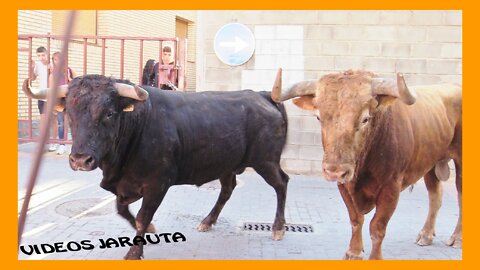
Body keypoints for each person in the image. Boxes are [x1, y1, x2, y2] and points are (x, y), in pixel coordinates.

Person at [29, 46, 56, 152]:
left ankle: (54, 142)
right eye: (39, 56)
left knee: (53, 120)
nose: (41, 58)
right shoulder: (38, 65)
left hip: (52, 95)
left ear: (47, 54)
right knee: (43, 121)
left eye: (43, 55)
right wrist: (31, 68)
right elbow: (32, 78)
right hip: (42, 95)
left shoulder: (52, 64)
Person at [49, 52, 76, 155]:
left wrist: (69, 79)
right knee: (61, 124)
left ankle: (75, 145)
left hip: (72, 100)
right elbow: (51, 91)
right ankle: (62, 145)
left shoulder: (70, 70)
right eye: (55, 59)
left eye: (59, 59)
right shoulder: (52, 74)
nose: (57, 61)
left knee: (74, 123)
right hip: (60, 102)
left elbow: (77, 84)